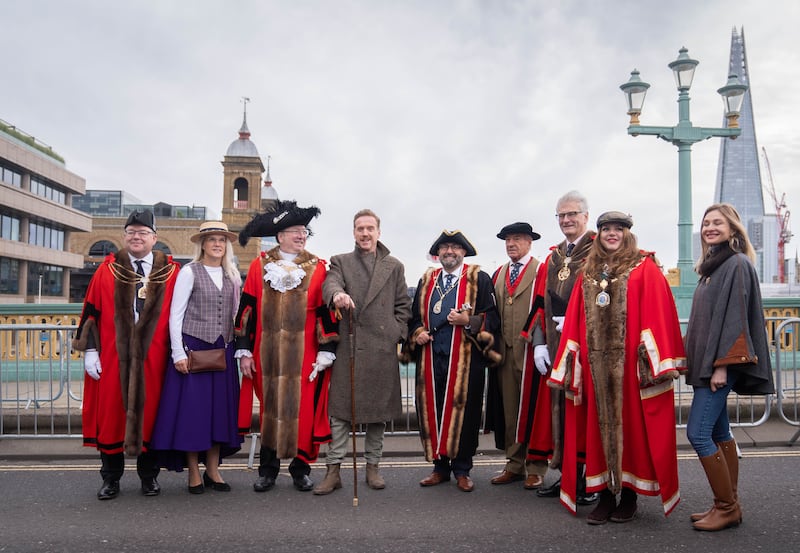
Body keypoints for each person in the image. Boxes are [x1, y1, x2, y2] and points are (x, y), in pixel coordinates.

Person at [549, 211, 686, 524]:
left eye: (618, 229)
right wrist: (573, 359)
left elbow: (657, 312)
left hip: (629, 370)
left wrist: (650, 360)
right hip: (597, 369)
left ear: (627, 233)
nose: (612, 234)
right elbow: (575, 319)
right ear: (600, 234)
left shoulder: (643, 267)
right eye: (606, 229)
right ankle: (606, 495)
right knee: (597, 433)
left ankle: (630, 496)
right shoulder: (589, 271)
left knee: (633, 433)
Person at [73, 210, 179, 500]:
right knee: (111, 417)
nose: (136, 237)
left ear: (154, 238)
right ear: (124, 236)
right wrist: (91, 350)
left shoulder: (170, 272)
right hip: (113, 355)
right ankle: (111, 479)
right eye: (131, 231)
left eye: (143, 232)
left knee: (151, 417)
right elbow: (91, 311)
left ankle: (149, 477)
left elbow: (181, 316)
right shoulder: (106, 270)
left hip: (155, 358)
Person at [235, 200, 338, 493]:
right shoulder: (260, 266)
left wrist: (327, 348)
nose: (301, 235)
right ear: (280, 236)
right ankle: (268, 470)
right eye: (295, 231)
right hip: (266, 355)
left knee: (303, 411)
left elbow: (324, 312)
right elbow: (247, 310)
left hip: (304, 355)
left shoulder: (318, 267)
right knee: (271, 412)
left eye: (304, 231)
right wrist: (243, 349)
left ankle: (300, 469)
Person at [684, 203, 774, 532]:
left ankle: (727, 507)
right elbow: (704, 321)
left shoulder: (735, 264)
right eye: (706, 223)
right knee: (719, 432)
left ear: (733, 228)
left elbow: (736, 318)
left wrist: (722, 367)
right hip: (708, 365)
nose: (710, 227)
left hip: (718, 368)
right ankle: (728, 504)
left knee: (697, 433)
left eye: (717, 223)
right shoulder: (712, 267)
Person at [314, 209, 412, 494]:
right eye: (360, 228)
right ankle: (333, 471)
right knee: (341, 414)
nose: (365, 233)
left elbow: (403, 307)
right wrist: (337, 295)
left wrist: (395, 333)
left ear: (378, 232)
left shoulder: (394, 266)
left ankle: (373, 468)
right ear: (354, 233)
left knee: (377, 415)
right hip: (351, 349)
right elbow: (329, 284)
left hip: (381, 350)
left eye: (370, 228)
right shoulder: (341, 261)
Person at [150, 221, 243, 493]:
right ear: (201, 243)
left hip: (223, 349)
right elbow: (175, 314)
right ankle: (193, 472)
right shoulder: (189, 272)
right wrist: (178, 352)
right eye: (212, 239)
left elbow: (236, 314)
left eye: (222, 240)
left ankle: (213, 470)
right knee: (194, 414)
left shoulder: (232, 275)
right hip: (195, 348)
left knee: (218, 413)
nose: (217, 244)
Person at [408, 230, 501, 492]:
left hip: (465, 362)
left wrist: (468, 322)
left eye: (455, 248)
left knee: (465, 413)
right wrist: (418, 333)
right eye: (445, 248)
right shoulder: (427, 280)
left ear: (464, 252)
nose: (450, 252)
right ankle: (440, 468)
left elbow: (493, 319)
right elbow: (414, 317)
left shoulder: (478, 279)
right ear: (438, 254)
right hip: (431, 359)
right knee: (433, 412)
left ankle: (462, 469)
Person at [522, 190, 598, 504]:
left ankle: (590, 481)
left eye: (572, 214)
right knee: (563, 413)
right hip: (555, 347)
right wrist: (539, 343)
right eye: (561, 215)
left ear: (585, 217)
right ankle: (568, 476)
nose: (566, 220)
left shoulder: (598, 251)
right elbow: (541, 303)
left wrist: (577, 320)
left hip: (586, 347)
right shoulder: (554, 257)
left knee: (585, 415)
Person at [487, 222, 548, 490]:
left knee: (534, 411)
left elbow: (545, 309)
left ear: (529, 242)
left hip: (532, 351)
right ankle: (514, 463)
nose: (511, 244)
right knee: (510, 410)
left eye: (517, 239)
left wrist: (540, 344)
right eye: (508, 240)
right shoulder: (499, 273)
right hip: (505, 352)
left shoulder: (541, 270)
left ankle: (535, 467)